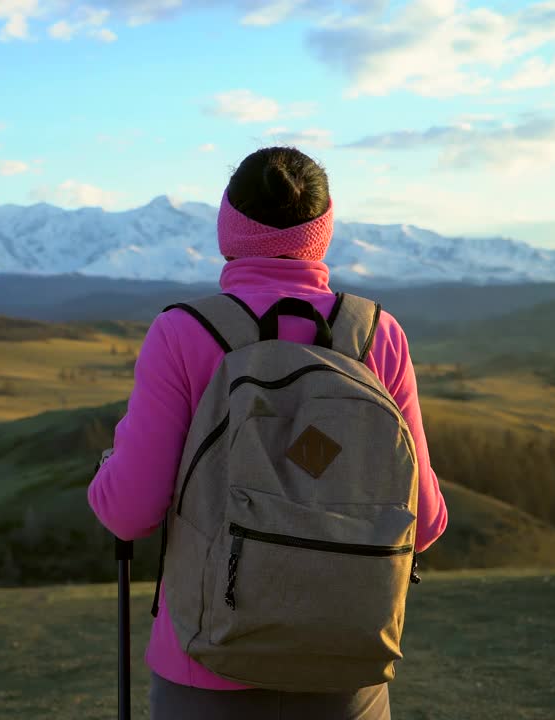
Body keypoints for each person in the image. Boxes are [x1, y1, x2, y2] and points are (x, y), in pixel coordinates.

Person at [87, 146, 449, 719]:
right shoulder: (379, 335)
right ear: (323, 230)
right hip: (347, 673)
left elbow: (129, 511)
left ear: (228, 228)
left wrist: (108, 470)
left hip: (205, 669)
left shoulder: (182, 333)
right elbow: (424, 522)